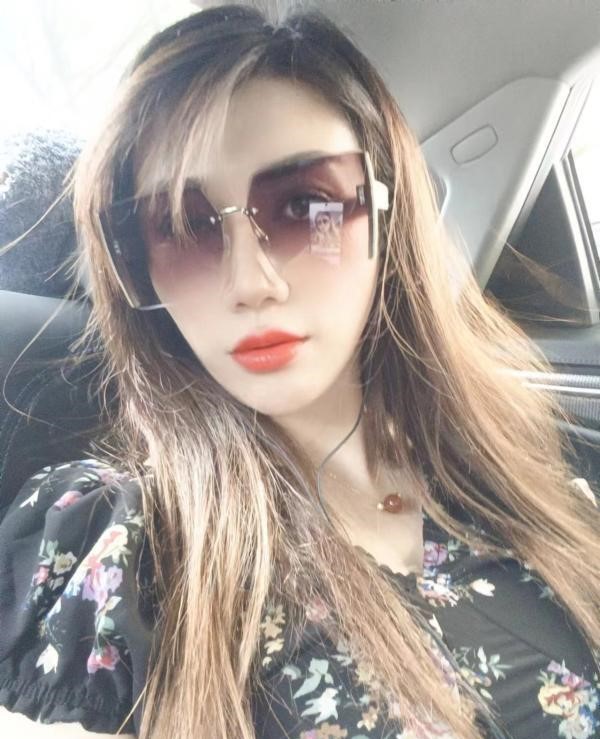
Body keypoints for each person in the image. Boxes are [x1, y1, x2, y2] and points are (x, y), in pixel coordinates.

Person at [0, 4, 599, 738]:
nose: (251, 283)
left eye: (304, 205)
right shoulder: (126, 554)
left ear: (388, 216)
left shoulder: (522, 470)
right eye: (185, 227)